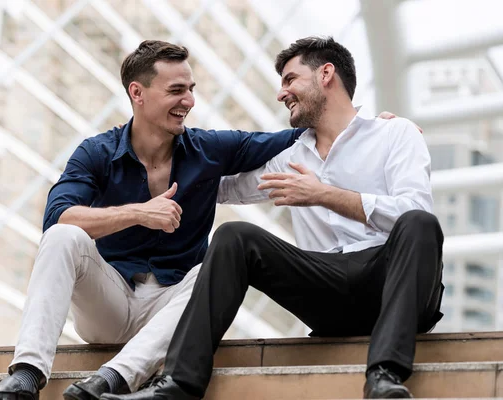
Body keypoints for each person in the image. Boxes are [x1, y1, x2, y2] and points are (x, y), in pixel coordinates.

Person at [104, 37, 444, 400]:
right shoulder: (291, 156)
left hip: (395, 282)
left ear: (326, 74)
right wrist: (140, 170)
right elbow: (216, 188)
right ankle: (178, 385)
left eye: (290, 79)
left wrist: (322, 194)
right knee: (235, 236)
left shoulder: (395, 134)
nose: (282, 93)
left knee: (419, 222)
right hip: (327, 289)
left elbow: (415, 213)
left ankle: (384, 376)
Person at [0, 40, 307, 400]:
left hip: (172, 310)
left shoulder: (209, 149)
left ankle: (110, 380)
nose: (189, 101)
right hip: (110, 304)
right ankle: (26, 376)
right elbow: (58, 217)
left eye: (190, 90)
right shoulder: (97, 151)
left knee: (218, 264)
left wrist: (368, 127)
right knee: (63, 237)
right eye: (176, 90)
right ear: (138, 93)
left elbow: (295, 139)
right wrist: (139, 213)